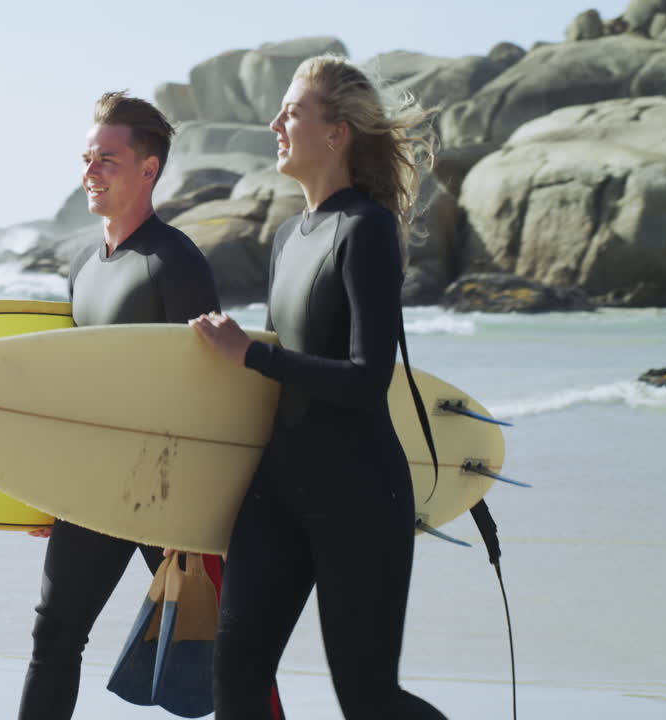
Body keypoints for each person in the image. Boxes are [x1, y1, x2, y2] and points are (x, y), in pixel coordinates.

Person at [189, 55, 447, 719]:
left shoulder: (366, 229)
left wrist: (249, 355)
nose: (274, 123)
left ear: (337, 133)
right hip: (278, 491)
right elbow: (268, 391)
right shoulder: (286, 238)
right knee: (237, 681)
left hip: (360, 495)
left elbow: (367, 379)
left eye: (292, 111)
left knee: (367, 699)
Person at [16, 90, 221, 720]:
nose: (90, 171)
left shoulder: (175, 262)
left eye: (107, 158)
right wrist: (50, 487)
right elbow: (72, 387)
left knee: (224, 650)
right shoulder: (83, 263)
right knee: (54, 634)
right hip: (98, 487)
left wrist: (204, 511)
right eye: (87, 157)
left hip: (169, 493)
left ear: (148, 169)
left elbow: (213, 389)